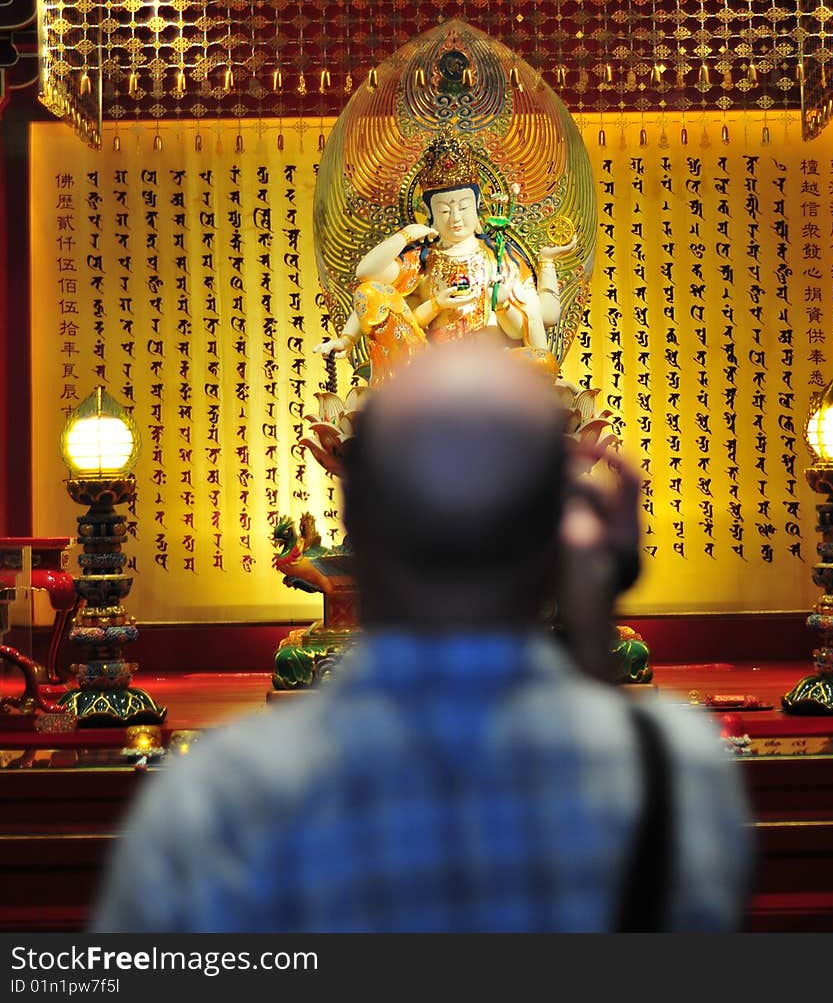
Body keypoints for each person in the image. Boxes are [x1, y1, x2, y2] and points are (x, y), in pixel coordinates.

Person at [91, 336, 753, 933]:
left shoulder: (216, 801)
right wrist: (592, 618)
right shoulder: (678, 773)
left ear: (356, 512)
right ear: (564, 522)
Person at [315, 134, 573, 383]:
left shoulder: (499, 257)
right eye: (444, 210)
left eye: (463, 207)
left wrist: (505, 302)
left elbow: (537, 320)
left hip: (490, 368)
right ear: (429, 212)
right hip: (432, 370)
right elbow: (367, 278)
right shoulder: (423, 261)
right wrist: (407, 238)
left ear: (478, 205)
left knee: (541, 360)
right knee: (370, 291)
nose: (456, 218)